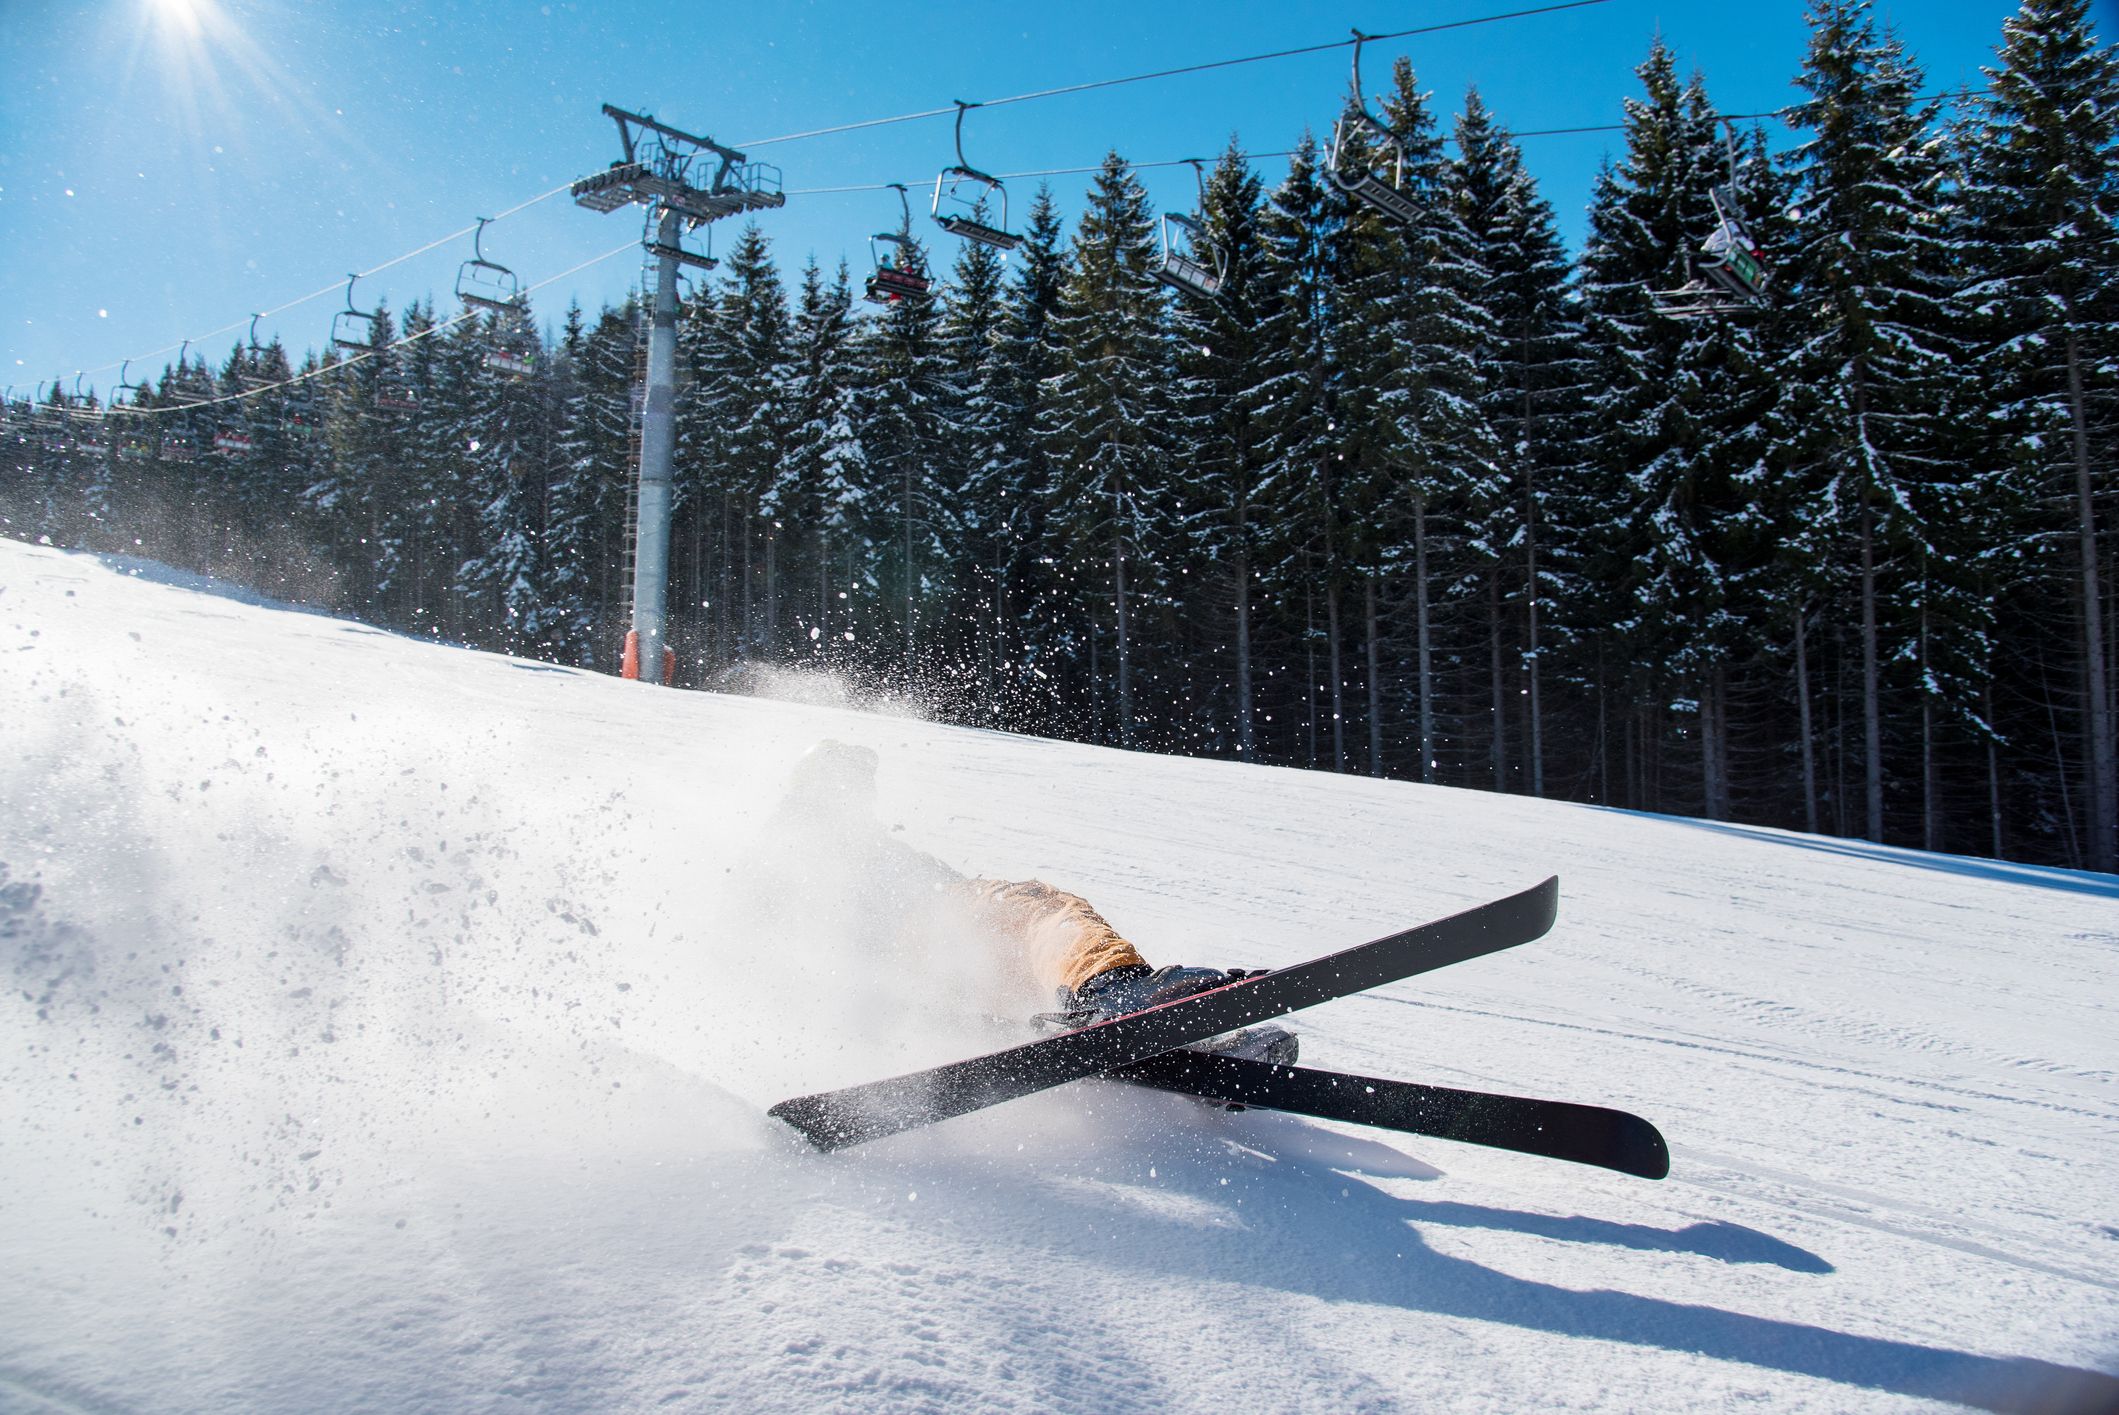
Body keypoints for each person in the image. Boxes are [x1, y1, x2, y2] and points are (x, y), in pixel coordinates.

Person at [774, 739, 1296, 1063]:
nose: (857, 798)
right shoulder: (795, 858)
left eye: (859, 787)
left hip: (948, 980)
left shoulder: (872, 853)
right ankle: (1114, 994)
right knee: (1035, 906)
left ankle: (1183, 1042)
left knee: (1035, 955)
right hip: (925, 962)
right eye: (844, 785)